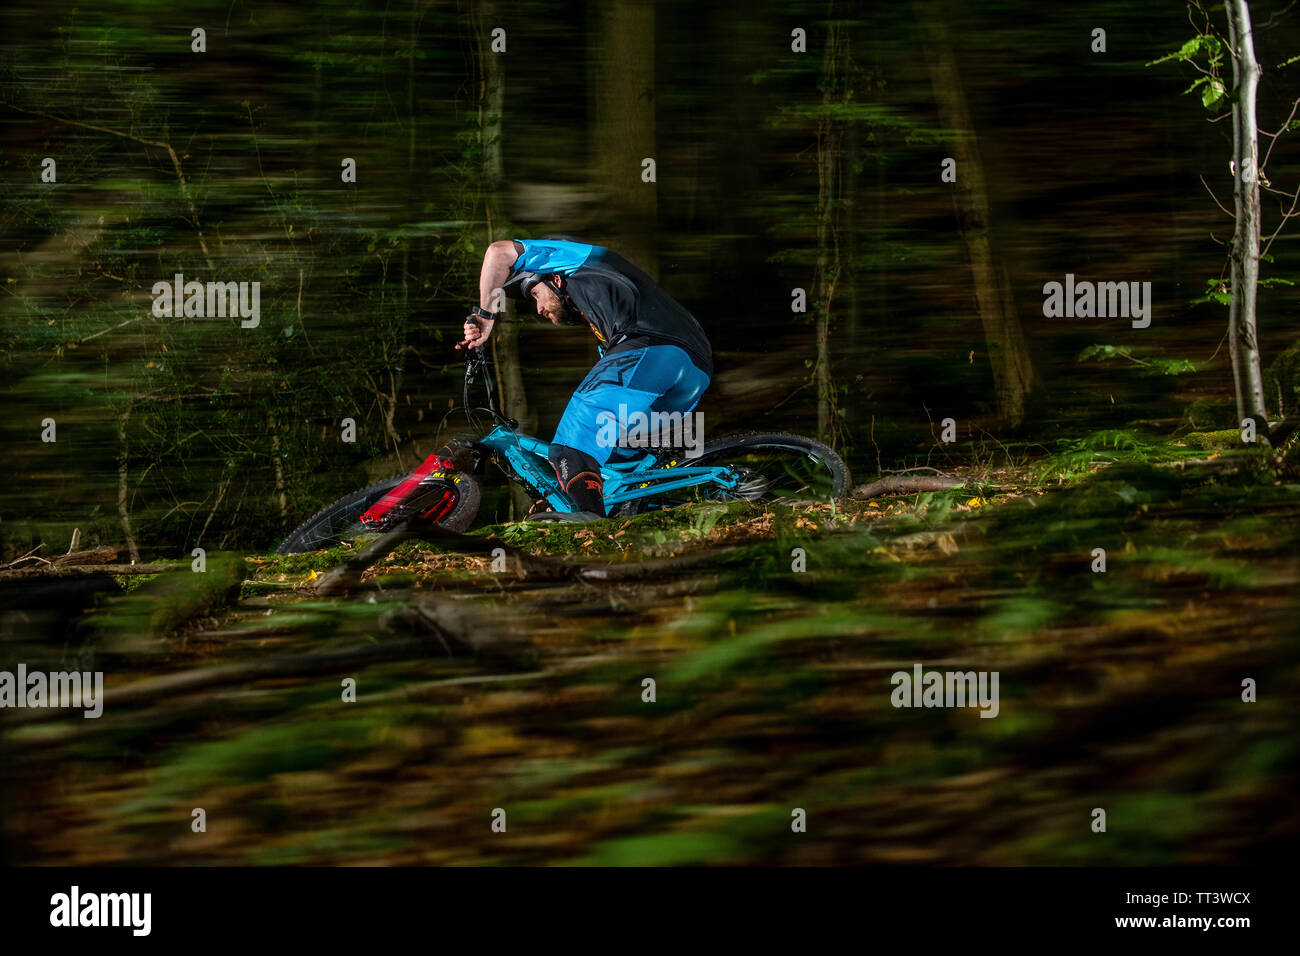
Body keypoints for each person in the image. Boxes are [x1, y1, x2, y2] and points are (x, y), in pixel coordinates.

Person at [458, 237, 712, 521]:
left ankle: (590, 524)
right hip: (693, 370)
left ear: (554, 278)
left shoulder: (578, 260)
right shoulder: (605, 322)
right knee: (613, 471)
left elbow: (498, 252)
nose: (539, 310)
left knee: (570, 446)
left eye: (535, 296)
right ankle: (613, 513)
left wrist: (485, 315)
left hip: (654, 348)